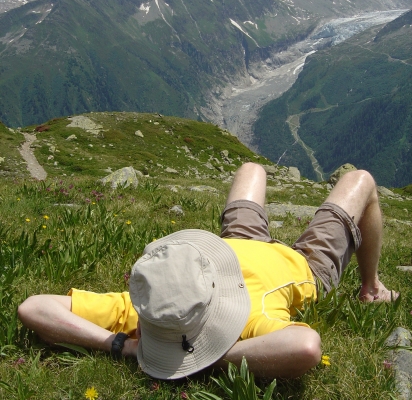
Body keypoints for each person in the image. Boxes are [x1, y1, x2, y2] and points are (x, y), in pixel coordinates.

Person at [18, 163, 398, 380]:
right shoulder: (252, 319)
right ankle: (370, 287)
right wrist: (213, 354)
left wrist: (123, 345)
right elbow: (306, 348)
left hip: (229, 249)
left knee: (252, 168)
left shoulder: (150, 307)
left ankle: (371, 286)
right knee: (361, 181)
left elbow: (33, 308)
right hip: (303, 266)